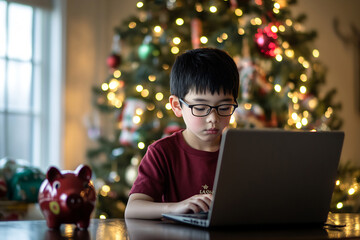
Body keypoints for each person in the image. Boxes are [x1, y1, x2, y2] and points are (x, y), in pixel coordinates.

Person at [124, 48, 239, 219]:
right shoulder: (162, 152)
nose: (213, 118)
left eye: (224, 108)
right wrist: (176, 207)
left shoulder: (240, 151)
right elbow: (132, 209)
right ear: (177, 106)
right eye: (200, 108)